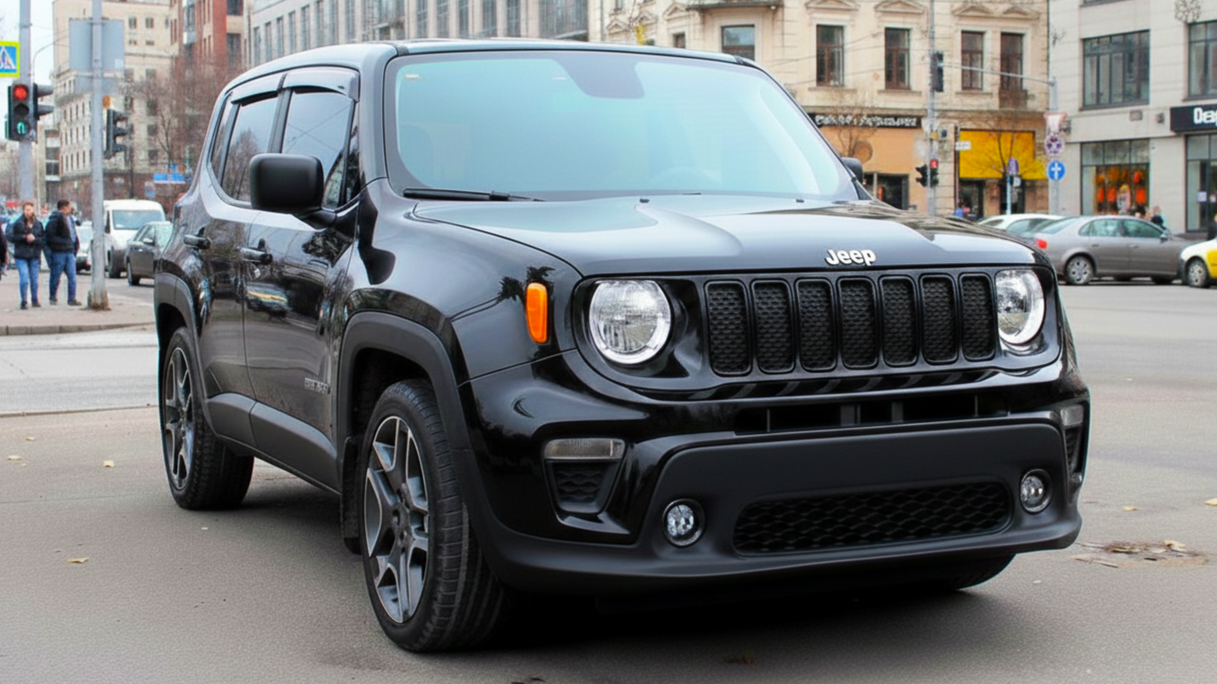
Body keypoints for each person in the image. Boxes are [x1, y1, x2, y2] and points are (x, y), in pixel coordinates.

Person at [45, 199, 82, 306]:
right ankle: (53, 297)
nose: (71, 209)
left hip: (69, 251)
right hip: (59, 252)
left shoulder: (70, 219)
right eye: (69, 207)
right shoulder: (55, 219)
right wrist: (63, 242)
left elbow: (73, 234)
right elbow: (50, 237)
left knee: (72, 276)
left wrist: (74, 246)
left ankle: (72, 298)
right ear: (64, 208)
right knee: (56, 276)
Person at [9, 202, 45, 309]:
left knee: (34, 279)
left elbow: (43, 239)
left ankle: (34, 299)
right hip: (21, 255)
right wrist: (24, 237)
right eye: (26, 210)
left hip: (34, 255)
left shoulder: (38, 224)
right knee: (24, 278)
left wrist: (35, 239)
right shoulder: (18, 223)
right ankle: (24, 300)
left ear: (33, 210)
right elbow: (11, 237)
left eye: (30, 209)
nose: (28, 212)